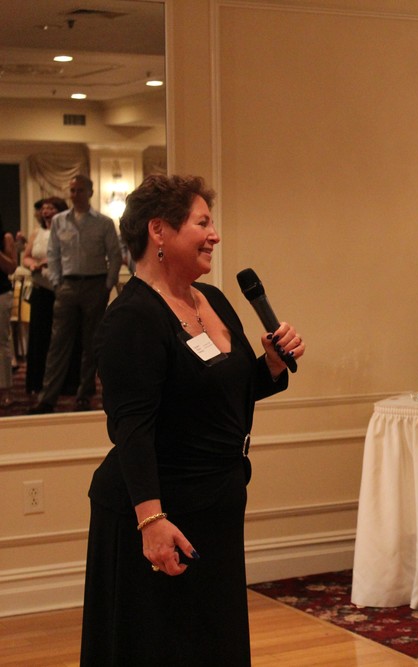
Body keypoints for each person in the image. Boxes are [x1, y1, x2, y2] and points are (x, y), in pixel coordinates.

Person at [79, 174, 304, 665]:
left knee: (211, 642)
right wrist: (151, 521)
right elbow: (132, 429)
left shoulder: (214, 300)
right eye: (202, 224)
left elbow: (221, 395)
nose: (214, 235)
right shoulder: (132, 317)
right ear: (159, 230)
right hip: (161, 511)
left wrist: (269, 364)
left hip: (216, 503)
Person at [29, 175, 123, 413]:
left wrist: (107, 284)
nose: (75, 195)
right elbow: (53, 253)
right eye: (72, 190)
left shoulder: (103, 223)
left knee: (91, 342)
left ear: (90, 192)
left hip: (95, 285)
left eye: (80, 190)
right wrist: (57, 282)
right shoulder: (59, 221)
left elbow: (114, 254)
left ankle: (84, 393)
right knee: (58, 342)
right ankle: (48, 397)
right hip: (67, 286)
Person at [21, 197, 69, 395]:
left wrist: (48, 262)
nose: (46, 211)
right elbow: (26, 257)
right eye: (44, 208)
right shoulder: (36, 232)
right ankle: (37, 381)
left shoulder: (66, 232)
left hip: (59, 290)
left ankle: (60, 382)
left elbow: (68, 257)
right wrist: (33, 264)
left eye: (51, 208)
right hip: (40, 290)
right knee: (39, 337)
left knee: (58, 338)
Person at [0, 228, 24, 409]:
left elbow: (11, 267)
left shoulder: (6, 238)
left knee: (2, 343)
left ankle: (5, 390)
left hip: (1, 294)